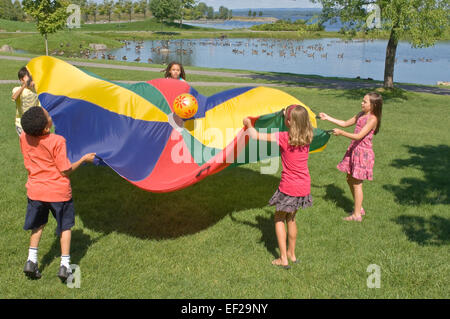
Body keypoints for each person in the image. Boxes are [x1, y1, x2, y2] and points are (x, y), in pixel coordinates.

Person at [19, 106, 96, 281]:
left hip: (35, 191)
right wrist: (84, 159)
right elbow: (65, 171)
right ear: (46, 127)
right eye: (48, 116)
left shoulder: (24, 137)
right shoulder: (57, 141)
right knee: (64, 227)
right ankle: (65, 266)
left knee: (37, 226)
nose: (49, 115)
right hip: (58, 193)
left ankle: (31, 261)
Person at [243, 105, 314, 269]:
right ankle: (292, 253)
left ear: (289, 122)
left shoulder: (284, 137)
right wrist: (286, 113)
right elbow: (297, 121)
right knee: (292, 218)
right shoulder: (308, 136)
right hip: (304, 185)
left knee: (279, 218)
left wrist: (248, 124)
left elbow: (254, 135)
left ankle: (283, 258)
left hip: (289, 186)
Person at [319, 92, 382, 222]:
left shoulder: (372, 119)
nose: (362, 103)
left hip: (363, 154)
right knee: (349, 178)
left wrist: (341, 133)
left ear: (373, 105)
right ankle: (359, 208)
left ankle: (357, 215)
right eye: (362, 100)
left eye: (365, 102)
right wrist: (328, 118)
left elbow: (359, 136)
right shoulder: (361, 114)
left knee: (357, 184)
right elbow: (344, 123)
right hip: (354, 150)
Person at [11, 66, 41, 136]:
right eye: (29, 78)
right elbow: (14, 97)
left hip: (33, 123)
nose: (31, 80)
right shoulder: (17, 89)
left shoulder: (34, 91)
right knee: (26, 144)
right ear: (22, 80)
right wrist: (24, 85)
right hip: (21, 124)